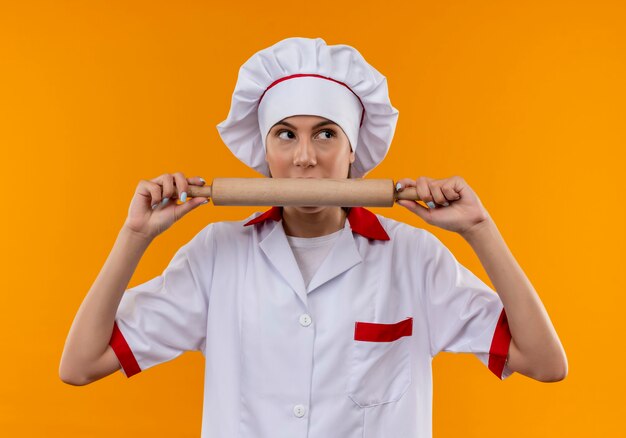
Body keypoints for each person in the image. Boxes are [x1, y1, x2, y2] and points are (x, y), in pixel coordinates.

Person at [60, 37, 567, 437]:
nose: (305, 157)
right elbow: (81, 365)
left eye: (326, 134)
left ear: (353, 152)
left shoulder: (414, 259)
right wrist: (134, 236)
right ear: (265, 152)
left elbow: (544, 363)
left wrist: (481, 231)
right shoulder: (216, 256)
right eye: (287, 135)